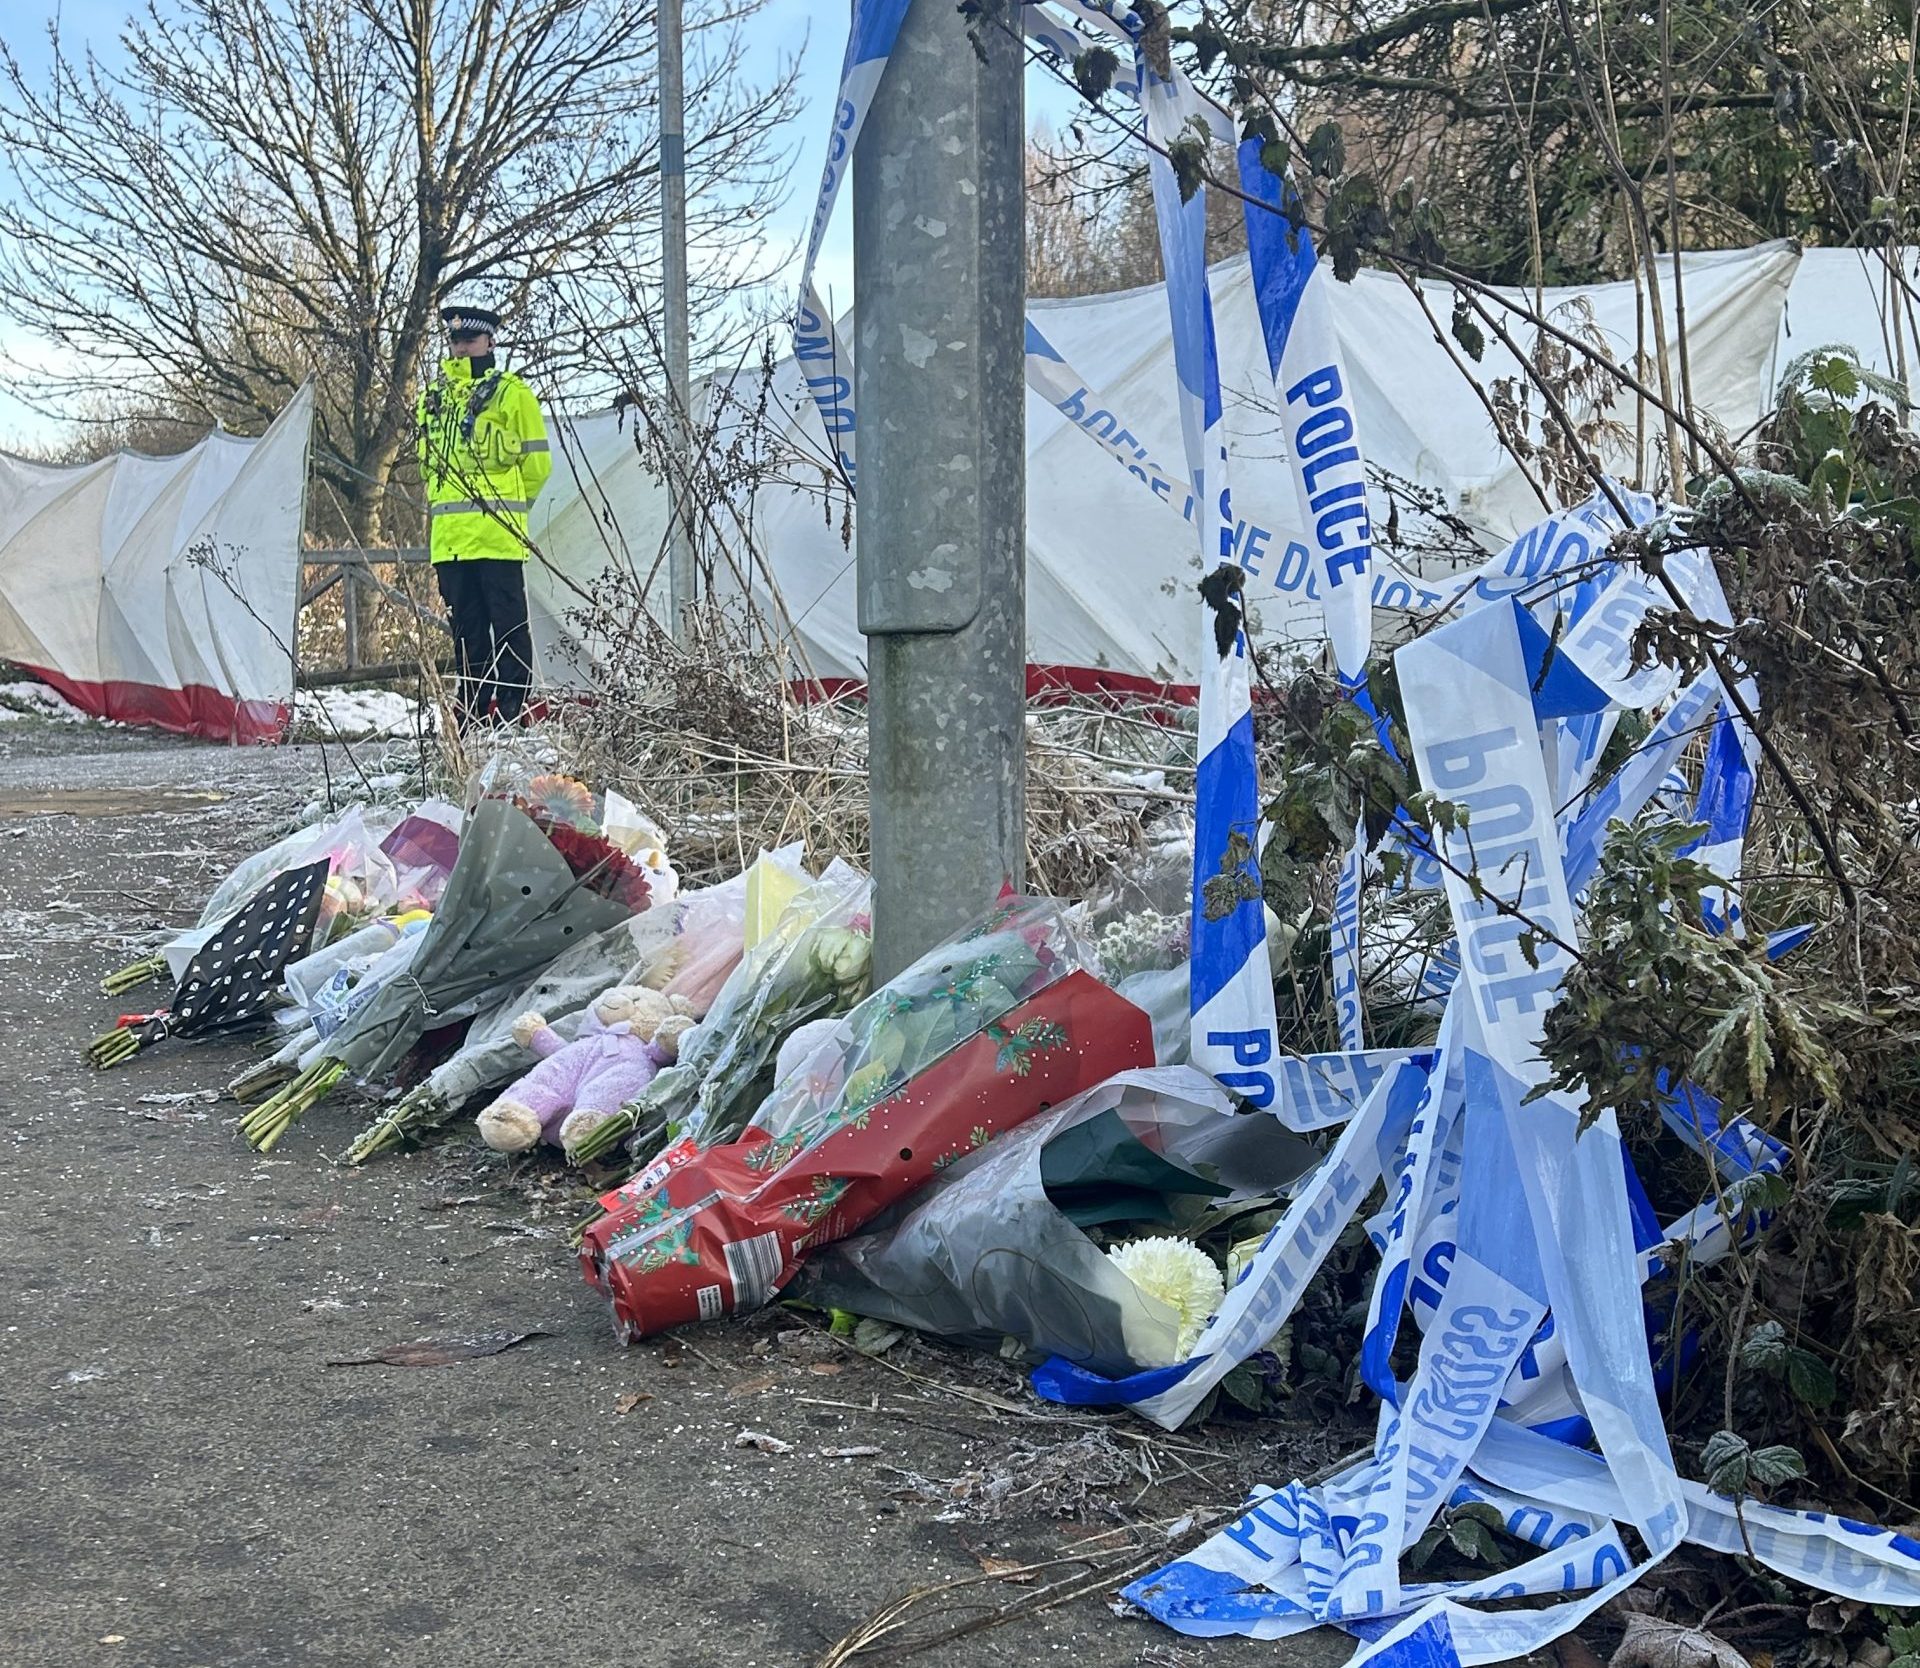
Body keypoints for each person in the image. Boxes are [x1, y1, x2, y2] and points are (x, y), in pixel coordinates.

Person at [416, 300, 552, 728]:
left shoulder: (513, 394)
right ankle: (473, 712)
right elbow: (427, 468)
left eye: (470, 340)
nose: (461, 348)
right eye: (455, 340)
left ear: (490, 341)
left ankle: (512, 711)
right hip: (451, 542)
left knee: (509, 627)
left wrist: (510, 513)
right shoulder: (432, 399)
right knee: (466, 633)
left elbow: (537, 467)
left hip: (497, 537)